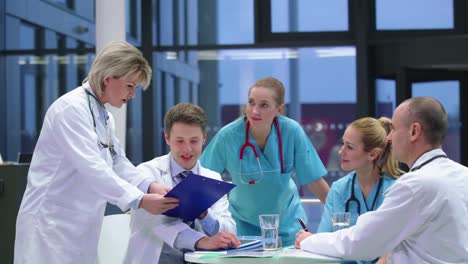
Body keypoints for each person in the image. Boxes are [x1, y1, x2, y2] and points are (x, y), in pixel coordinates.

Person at [14, 41, 179, 264]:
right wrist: (139, 200)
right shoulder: (70, 109)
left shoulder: (103, 117)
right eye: (130, 86)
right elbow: (93, 168)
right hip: (49, 226)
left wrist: (150, 186)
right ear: (108, 77)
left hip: (79, 228)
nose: (133, 95)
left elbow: (118, 163)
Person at [296, 97, 468, 263]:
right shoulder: (463, 175)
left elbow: (362, 243)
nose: (389, 138)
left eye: (394, 129)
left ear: (414, 131)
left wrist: (308, 240)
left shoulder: (414, 185)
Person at [200, 77, 330, 247]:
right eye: (251, 103)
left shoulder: (292, 132)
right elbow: (202, 180)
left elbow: (315, 182)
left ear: (279, 109)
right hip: (243, 227)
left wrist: (340, 224)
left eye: (264, 105)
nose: (254, 111)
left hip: (288, 226)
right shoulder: (228, 136)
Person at [125, 103, 239, 264]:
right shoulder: (146, 174)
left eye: (194, 141)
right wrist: (201, 241)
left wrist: (205, 214)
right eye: (180, 141)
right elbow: (159, 224)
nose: (187, 149)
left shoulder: (212, 177)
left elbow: (229, 229)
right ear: (167, 138)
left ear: (204, 139)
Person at [317, 117, 402, 264]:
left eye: (349, 147)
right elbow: (323, 239)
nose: (340, 152)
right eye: (342, 144)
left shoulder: (398, 189)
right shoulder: (339, 189)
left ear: (373, 154)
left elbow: (399, 245)